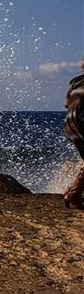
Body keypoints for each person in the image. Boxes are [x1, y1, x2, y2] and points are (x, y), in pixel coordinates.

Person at [63, 60, 84, 209]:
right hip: (81, 125)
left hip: (70, 124)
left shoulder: (75, 83)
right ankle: (73, 195)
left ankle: (71, 192)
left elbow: (66, 104)